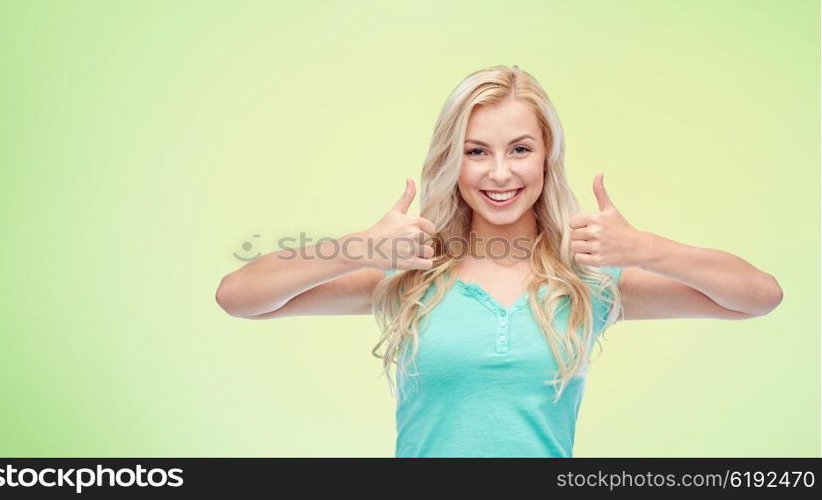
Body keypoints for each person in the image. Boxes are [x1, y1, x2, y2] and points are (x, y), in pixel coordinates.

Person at [214, 65, 783, 458]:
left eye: (520, 149)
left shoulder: (589, 282)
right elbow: (239, 297)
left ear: (547, 157)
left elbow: (758, 297)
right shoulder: (409, 273)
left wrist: (647, 250)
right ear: (451, 161)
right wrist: (364, 246)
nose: (501, 174)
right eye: (477, 151)